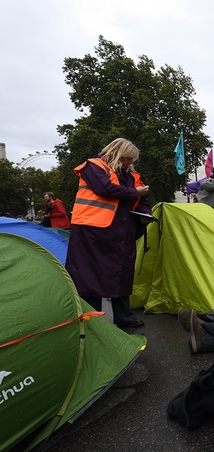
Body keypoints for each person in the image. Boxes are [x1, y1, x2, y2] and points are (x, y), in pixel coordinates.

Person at [65, 138, 151, 328]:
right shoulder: (93, 166)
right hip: (92, 231)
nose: (130, 162)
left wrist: (145, 213)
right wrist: (135, 193)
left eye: (131, 160)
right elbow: (105, 189)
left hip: (121, 231)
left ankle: (124, 316)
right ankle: (92, 319)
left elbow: (143, 198)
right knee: (89, 276)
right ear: (117, 153)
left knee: (121, 274)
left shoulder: (131, 175)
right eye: (127, 158)